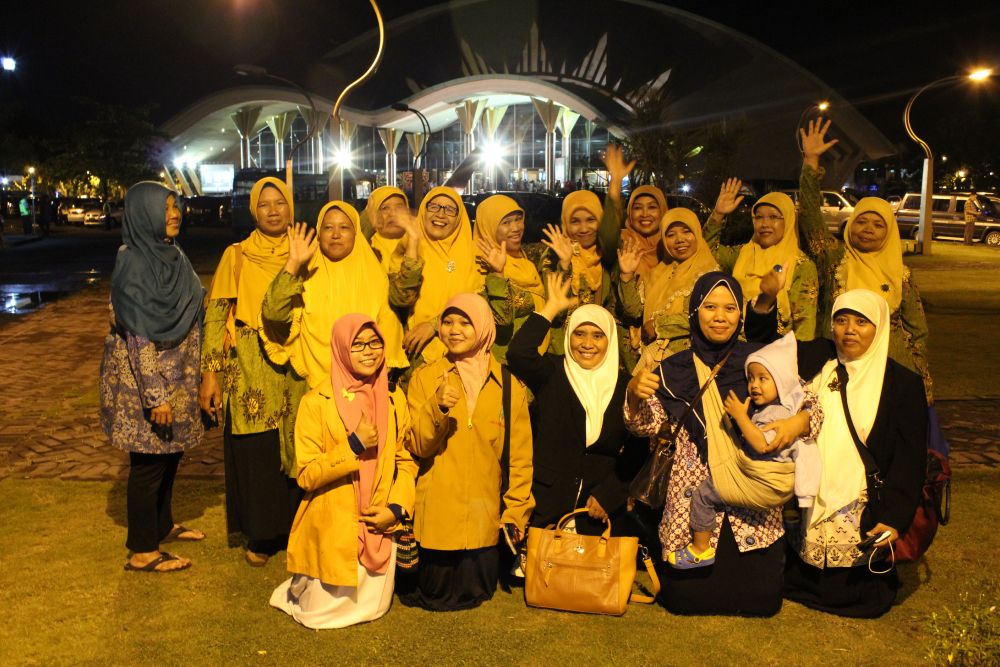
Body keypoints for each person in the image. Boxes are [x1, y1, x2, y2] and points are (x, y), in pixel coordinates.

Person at [625, 271, 821, 616]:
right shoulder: (673, 370)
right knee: (687, 598)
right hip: (694, 494)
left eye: (730, 308)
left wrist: (797, 422)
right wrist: (633, 395)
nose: (720, 316)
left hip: (752, 491)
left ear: (740, 315)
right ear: (694, 312)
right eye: (710, 307)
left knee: (759, 598)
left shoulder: (760, 361)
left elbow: (812, 406)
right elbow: (646, 426)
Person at [773, 289, 928, 618]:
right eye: (841, 320)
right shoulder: (819, 361)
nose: (850, 330)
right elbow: (767, 348)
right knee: (803, 558)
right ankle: (803, 580)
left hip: (862, 497)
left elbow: (909, 460)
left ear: (879, 327)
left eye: (861, 322)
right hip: (812, 487)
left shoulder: (902, 385)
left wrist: (894, 518)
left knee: (857, 580)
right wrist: (766, 301)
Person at [270, 315, 418, 628]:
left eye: (375, 343)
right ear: (340, 349)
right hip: (336, 526)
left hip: (378, 524)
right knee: (318, 614)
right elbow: (306, 475)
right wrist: (353, 446)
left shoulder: (393, 398)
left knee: (372, 608)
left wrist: (396, 508)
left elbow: (405, 461)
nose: (369, 351)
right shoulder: (316, 402)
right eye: (357, 345)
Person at [402, 293, 533, 611]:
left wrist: (515, 514)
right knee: (435, 593)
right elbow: (417, 445)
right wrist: (437, 407)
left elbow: (520, 459)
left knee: (478, 592)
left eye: (465, 322)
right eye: (447, 322)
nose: (454, 330)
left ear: (484, 327)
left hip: (482, 521)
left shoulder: (509, 385)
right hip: (437, 520)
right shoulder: (426, 377)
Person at [100, 181, 205, 573]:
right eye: (164, 208)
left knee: (170, 455)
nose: (174, 214)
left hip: (178, 377)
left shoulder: (171, 254)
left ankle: (162, 525)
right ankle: (143, 550)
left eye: (175, 206)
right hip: (145, 385)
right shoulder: (134, 264)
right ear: (143, 214)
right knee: (147, 466)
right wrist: (155, 396)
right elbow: (138, 335)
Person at [200, 177, 301, 567]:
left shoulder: (305, 250)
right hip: (248, 363)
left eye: (280, 203)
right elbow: (216, 316)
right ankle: (260, 534)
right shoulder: (237, 255)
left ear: (291, 207)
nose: (273, 211)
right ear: (253, 210)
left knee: (297, 443)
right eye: (264, 204)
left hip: (296, 361)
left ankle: (296, 528)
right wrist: (210, 374)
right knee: (256, 447)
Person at [260, 201, 408, 463]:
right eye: (328, 228)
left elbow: (387, 336)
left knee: (363, 467)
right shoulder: (305, 274)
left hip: (366, 392)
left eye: (344, 228)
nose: (336, 234)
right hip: (313, 388)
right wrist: (293, 264)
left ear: (356, 233)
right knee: (316, 468)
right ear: (319, 233)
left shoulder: (375, 277)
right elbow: (273, 313)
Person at [798, 119, 933, 401]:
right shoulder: (834, 260)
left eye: (878, 224)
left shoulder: (901, 274)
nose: (868, 228)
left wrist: (916, 376)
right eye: (861, 221)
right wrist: (811, 162)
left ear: (889, 232)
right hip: (838, 367)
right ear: (850, 226)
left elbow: (917, 332)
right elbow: (810, 218)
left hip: (888, 370)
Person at [506, 273, 646, 535]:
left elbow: (637, 451)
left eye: (597, 336)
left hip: (596, 516)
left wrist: (609, 495)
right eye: (579, 334)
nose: (587, 344)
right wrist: (550, 309)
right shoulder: (552, 372)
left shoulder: (625, 387)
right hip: (545, 508)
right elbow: (518, 354)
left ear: (610, 340)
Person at [671, 332, 821, 569]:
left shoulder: (777, 414)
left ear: (781, 381)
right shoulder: (779, 410)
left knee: (702, 496)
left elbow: (762, 444)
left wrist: (740, 417)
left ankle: (700, 549)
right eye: (750, 378)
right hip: (765, 483)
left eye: (763, 379)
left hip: (762, 481)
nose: (754, 385)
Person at [704, 180, 819, 341]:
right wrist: (718, 214)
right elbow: (705, 252)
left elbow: (804, 327)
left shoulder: (801, 265)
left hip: (774, 351)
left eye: (773, 217)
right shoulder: (741, 254)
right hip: (733, 347)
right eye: (758, 217)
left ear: (788, 220)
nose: (764, 224)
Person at [541, 189, 643, 360]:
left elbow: (633, 312)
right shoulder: (553, 256)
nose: (584, 228)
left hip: (598, 352)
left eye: (591, 220)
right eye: (575, 221)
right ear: (565, 222)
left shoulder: (607, 256)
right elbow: (556, 315)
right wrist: (564, 265)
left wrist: (626, 275)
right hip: (563, 353)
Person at [623, 207, 720, 370]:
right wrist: (626, 275)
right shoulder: (656, 274)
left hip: (691, 365)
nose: (679, 239)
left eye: (686, 231)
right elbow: (633, 311)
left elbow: (709, 317)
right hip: (653, 362)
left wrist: (659, 326)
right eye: (670, 235)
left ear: (697, 233)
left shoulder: (710, 275)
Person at [400, 187, 483, 369]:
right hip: (417, 354)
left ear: (459, 218)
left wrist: (434, 325)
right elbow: (400, 299)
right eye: (434, 206)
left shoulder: (475, 255)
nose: (441, 214)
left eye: (450, 209)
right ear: (424, 210)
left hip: (466, 355)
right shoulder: (407, 248)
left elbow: (480, 303)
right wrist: (412, 247)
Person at [473, 194, 548, 361]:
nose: (516, 228)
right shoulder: (480, 266)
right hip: (503, 362)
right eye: (506, 222)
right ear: (489, 227)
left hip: (533, 358)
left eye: (518, 219)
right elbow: (501, 319)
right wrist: (497, 273)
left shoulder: (524, 262)